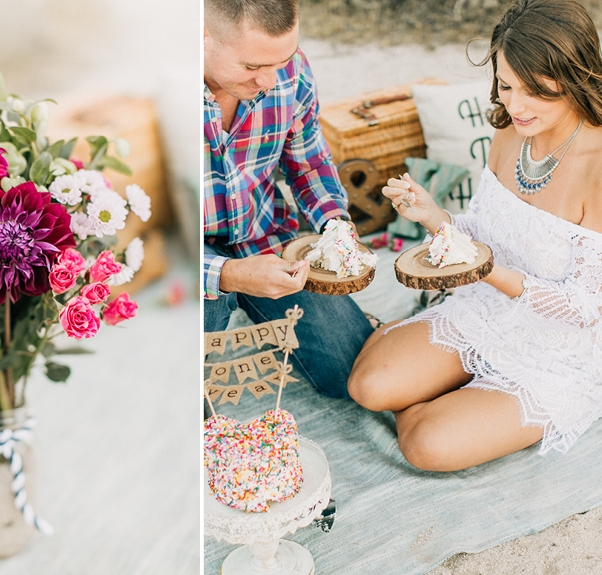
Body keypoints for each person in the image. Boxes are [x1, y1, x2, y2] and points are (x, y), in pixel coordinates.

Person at [348, 0, 602, 471]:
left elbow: (586, 308)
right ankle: (438, 389)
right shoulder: (510, 133)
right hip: (483, 308)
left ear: (576, 77)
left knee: (428, 446)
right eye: (506, 86)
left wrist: (488, 271)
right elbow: (483, 237)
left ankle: (441, 402)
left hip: (556, 348)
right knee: (368, 386)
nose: (515, 106)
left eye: (536, 92)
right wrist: (432, 216)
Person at [203, 0, 373, 398]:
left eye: (282, 59)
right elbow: (147, 239)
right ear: (202, 35)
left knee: (349, 373)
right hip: (190, 260)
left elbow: (310, 163)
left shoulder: (288, 71)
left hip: (264, 233)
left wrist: (335, 227)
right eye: (251, 67)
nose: (268, 80)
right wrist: (227, 274)